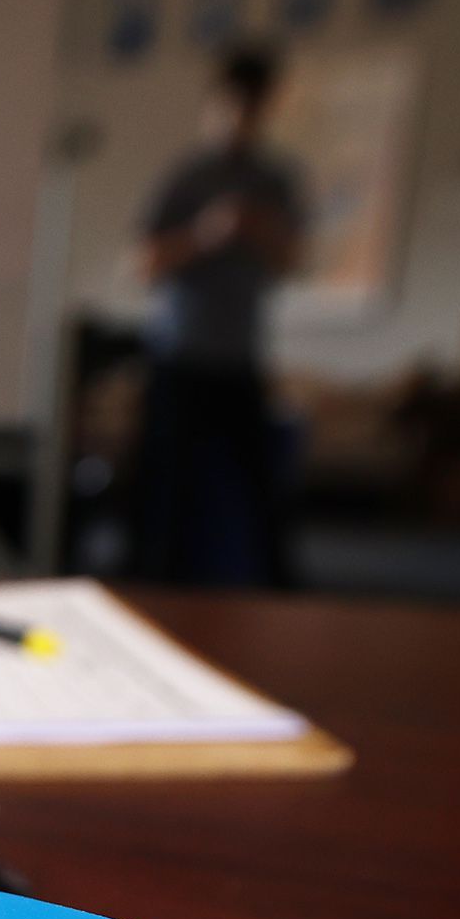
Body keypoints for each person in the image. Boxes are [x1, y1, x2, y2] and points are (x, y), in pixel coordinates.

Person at [128, 42, 305, 587]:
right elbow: (143, 264)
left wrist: (262, 233)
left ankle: (280, 594)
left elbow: (293, 264)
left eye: (255, 106)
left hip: (239, 354)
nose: (243, 118)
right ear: (217, 101)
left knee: (261, 494)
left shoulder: (275, 181)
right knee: (164, 497)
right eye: (236, 104)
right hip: (180, 354)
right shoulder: (188, 177)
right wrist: (205, 236)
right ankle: (150, 588)